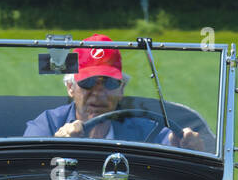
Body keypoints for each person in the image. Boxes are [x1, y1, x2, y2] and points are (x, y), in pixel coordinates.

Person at [23, 34, 204, 150]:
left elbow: (170, 142)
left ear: (121, 89)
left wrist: (183, 143)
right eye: (88, 82)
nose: (99, 92)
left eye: (109, 83)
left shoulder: (143, 128)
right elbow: (25, 166)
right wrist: (57, 143)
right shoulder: (47, 125)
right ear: (71, 87)